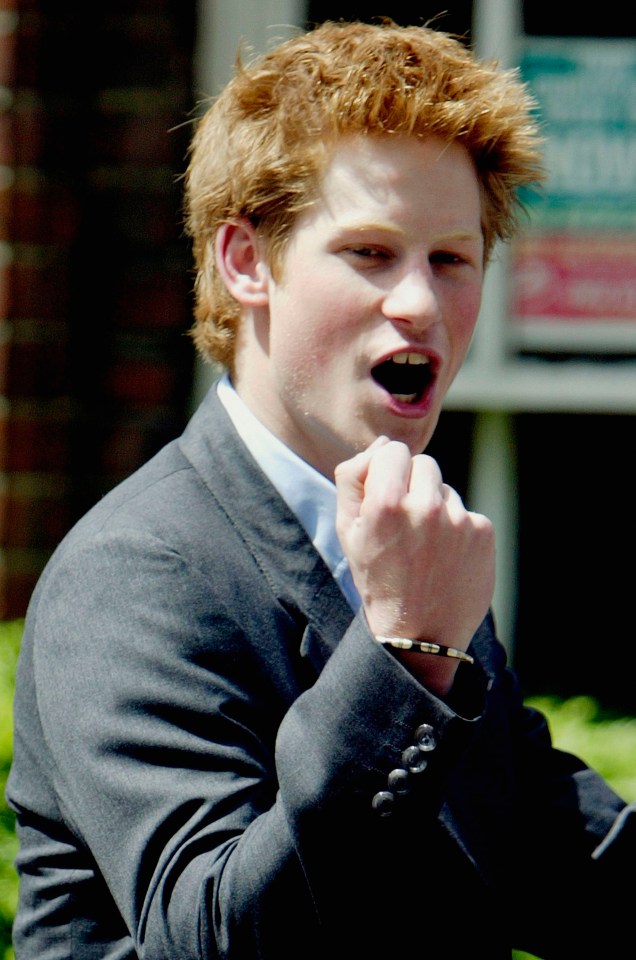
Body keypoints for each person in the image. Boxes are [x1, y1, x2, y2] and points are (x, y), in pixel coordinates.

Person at [7, 18, 635, 960]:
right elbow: (219, 936)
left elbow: (559, 854)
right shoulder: (135, 570)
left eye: (451, 259)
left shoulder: (407, 542)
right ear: (245, 262)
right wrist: (409, 653)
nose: (420, 302)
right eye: (371, 253)